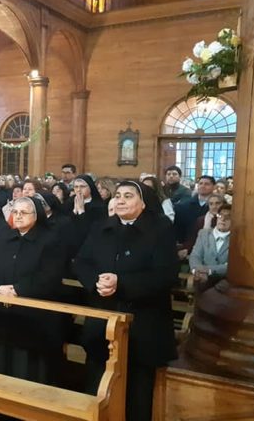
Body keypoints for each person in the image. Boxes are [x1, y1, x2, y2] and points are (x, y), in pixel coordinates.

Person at [75, 180, 178, 421]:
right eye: (118, 195)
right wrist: (95, 281)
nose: (120, 200)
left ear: (143, 202)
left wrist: (121, 283)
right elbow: (81, 261)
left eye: (128, 196)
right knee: (98, 382)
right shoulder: (102, 227)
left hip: (142, 324)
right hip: (104, 319)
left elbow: (166, 275)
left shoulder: (160, 229)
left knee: (137, 392)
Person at [0, 196, 69, 383]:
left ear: (36, 214)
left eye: (23, 212)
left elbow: (50, 275)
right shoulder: (3, 236)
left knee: (28, 372)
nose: (18, 216)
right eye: (15, 212)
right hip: (2, 314)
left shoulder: (51, 240)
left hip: (34, 317)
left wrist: (18, 289)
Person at [189, 204, 231, 292]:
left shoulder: (237, 239)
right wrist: (198, 271)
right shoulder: (203, 233)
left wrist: (209, 270)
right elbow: (195, 256)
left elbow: (231, 266)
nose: (223, 219)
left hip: (225, 281)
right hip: (202, 278)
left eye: (228, 217)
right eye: (220, 215)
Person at [175, 175, 216, 259]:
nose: (203, 186)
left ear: (213, 187)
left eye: (207, 184)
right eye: (200, 183)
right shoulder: (183, 206)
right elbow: (179, 228)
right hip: (187, 245)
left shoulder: (218, 206)